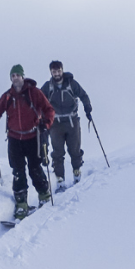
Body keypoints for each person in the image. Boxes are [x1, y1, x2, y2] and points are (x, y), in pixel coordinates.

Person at [0, 64, 55, 220]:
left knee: (35, 168)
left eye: (17, 75)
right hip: (14, 138)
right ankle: (21, 205)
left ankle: (44, 195)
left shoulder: (34, 93)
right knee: (18, 171)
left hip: (33, 137)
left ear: (23, 76)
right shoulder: (7, 96)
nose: (15, 78)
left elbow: (49, 110)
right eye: (12, 76)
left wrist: (46, 124)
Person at [41, 60, 93, 188]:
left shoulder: (71, 83)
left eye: (59, 71)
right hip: (55, 123)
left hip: (72, 121)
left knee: (74, 149)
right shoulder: (48, 87)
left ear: (62, 70)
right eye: (54, 71)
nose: (57, 74)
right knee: (57, 152)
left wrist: (87, 107)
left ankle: (76, 171)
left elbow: (83, 95)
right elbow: (39, 100)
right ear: (51, 72)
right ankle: (60, 179)